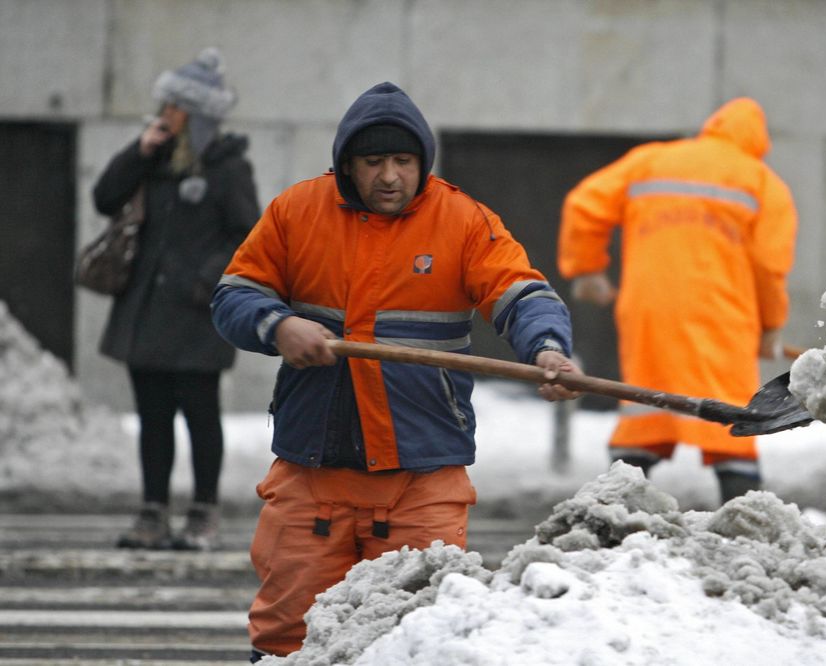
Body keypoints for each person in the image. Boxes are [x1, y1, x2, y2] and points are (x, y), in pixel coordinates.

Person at [210, 81, 581, 661]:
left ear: (423, 163)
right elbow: (234, 295)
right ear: (346, 166)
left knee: (419, 631)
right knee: (288, 636)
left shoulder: (462, 221)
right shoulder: (295, 213)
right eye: (374, 161)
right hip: (313, 470)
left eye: (403, 162)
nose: (389, 176)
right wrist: (278, 325)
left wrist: (548, 348)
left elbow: (520, 291)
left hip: (422, 473)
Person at [557, 97, 797, 503]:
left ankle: (612, 506)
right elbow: (769, 267)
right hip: (723, 316)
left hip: (648, 310)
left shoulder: (651, 161)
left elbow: (585, 205)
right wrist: (770, 327)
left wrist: (587, 270)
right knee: (731, 413)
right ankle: (747, 520)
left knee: (645, 403)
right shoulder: (761, 182)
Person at [92, 47, 260, 551]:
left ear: (197, 112)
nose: (164, 115)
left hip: (197, 314)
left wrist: (205, 281)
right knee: (153, 417)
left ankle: (203, 511)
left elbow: (247, 234)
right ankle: (152, 511)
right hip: (146, 310)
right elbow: (104, 198)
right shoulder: (155, 157)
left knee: (200, 415)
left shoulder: (228, 167)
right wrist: (139, 151)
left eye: (173, 107)